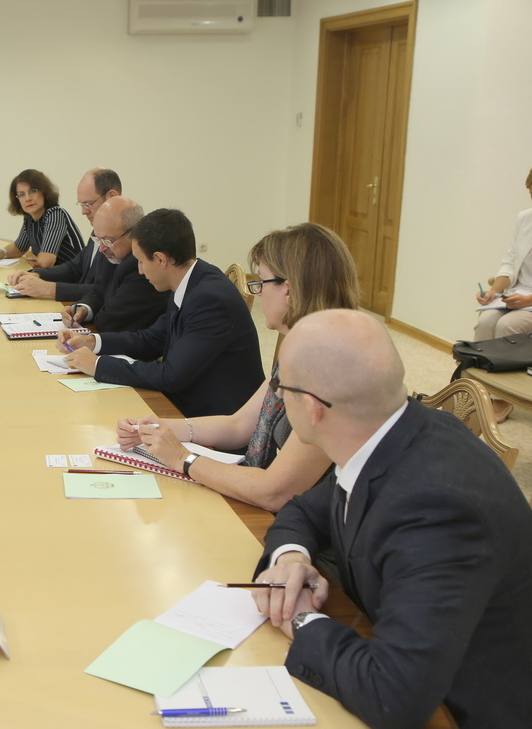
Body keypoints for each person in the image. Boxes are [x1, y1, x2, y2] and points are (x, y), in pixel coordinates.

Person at [251, 309, 532, 729]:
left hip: (460, 710)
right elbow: (304, 509)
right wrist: (291, 558)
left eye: (281, 386)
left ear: (311, 407)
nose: (277, 394)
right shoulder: (386, 433)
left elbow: (393, 697)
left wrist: (302, 618)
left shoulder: (439, 510)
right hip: (400, 652)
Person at [116, 223, 360, 511]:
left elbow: (275, 491)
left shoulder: (331, 370)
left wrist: (182, 458)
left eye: (261, 283)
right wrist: (162, 428)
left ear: (289, 290)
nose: (258, 294)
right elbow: (240, 424)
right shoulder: (303, 347)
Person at [60, 208, 262, 418]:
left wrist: (98, 365)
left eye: (140, 261)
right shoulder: (190, 280)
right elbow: (152, 339)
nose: (139, 270)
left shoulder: (210, 299)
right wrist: (92, 342)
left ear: (160, 259)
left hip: (214, 418)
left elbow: (172, 376)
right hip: (191, 402)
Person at [472, 168, 532, 422]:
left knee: (509, 326)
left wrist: (529, 300)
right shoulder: (525, 219)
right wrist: (494, 291)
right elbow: (509, 263)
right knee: (486, 321)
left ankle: (502, 398)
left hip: (529, 301)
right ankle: (477, 388)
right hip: (517, 294)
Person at [8, 168, 119, 300]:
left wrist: (48, 288)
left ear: (112, 197)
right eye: (82, 205)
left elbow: (105, 290)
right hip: (80, 301)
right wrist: (36, 274)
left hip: (82, 299)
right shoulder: (96, 231)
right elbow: (75, 267)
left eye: (88, 204)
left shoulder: (124, 237)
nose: (83, 212)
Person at [60, 197, 168, 332]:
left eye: (108, 240)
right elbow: (98, 293)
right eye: (98, 239)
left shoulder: (143, 266)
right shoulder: (109, 250)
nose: (101, 248)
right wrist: (83, 310)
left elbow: (108, 321)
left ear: (134, 233)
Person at [0, 169, 83, 269]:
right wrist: (0, 252)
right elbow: (19, 247)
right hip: (54, 274)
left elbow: (45, 262)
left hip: (75, 276)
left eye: (33, 191)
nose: (28, 198)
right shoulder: (29, 218)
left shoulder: (55, 214)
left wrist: (35, 259)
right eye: (22, 194)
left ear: (44, 192)